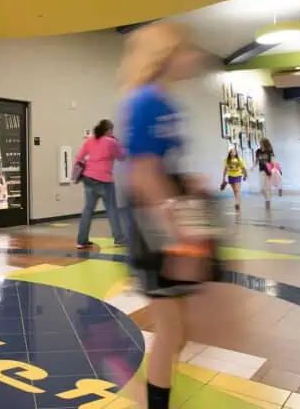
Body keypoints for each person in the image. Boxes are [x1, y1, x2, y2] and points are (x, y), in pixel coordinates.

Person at [119, 21, 209, 409]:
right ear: (166, 55)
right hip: (155, 224)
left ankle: (141, 383)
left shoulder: (168, 103)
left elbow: (165, 163)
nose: (194, 57)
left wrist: (192, 181)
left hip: (171, 217)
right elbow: (143, 173)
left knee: (178, 330)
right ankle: (148, 397)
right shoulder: (144, 101)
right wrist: (177, 238)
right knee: (172, 330)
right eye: (186, 50)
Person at [74, 119, 127, 249]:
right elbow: (122, 156)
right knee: (112, 210)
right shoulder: (111, 142)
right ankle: (119, 238)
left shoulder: (89, 141)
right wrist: (118, 143)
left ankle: (81, 241)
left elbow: (79, 157)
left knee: (88, 210)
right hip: (105, 181)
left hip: (88, 178)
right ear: (108, 130)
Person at [254, 139, 277, 209]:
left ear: (265, 143)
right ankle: (267, 197)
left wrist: (274, 170)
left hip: (268, 171)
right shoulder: (258, 151)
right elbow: (256, 160)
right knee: (262, 188)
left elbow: (273, 162)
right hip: (261, 171)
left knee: (267, 187)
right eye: (259, 143)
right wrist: (253, 166)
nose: (260, 144)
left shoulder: (270, 152)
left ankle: (268, 200)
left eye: (261, 143)